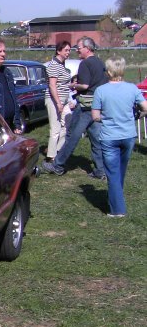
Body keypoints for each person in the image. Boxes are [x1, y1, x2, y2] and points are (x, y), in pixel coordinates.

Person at [41, 37, 108, 179]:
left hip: (84, 107)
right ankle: (100, 171)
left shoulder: (85, 64)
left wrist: (73, 86)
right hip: (97, 107)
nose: (76, 50)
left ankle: (57, 165)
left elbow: (84, 86)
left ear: (87, 49)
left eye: (79, 47)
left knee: (71, 136)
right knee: (96, 140)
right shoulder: (100, 63)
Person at [91, 56, 147, 217]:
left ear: (108, 72)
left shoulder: (101, 91)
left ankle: (117, 210)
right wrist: (139, 115)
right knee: (120, 170)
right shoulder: (132, 88)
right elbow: (145, 107)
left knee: (113, 173)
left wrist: (107, 117)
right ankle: (116, 197)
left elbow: (95, 116)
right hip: (128, 135)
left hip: (109, 136)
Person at [44, 41, 74, 162]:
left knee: (67, 124)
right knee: (55, 128)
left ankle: (57, 149)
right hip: (54, 99)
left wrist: (72, 85)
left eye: (69, 50)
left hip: (64, 99)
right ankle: (51, 156)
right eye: (66, 50)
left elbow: (63, 84)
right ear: (58, 51)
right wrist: (58, 103)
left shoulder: (62, 65)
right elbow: (52, 85)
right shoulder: (54, 65)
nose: (68, 52)